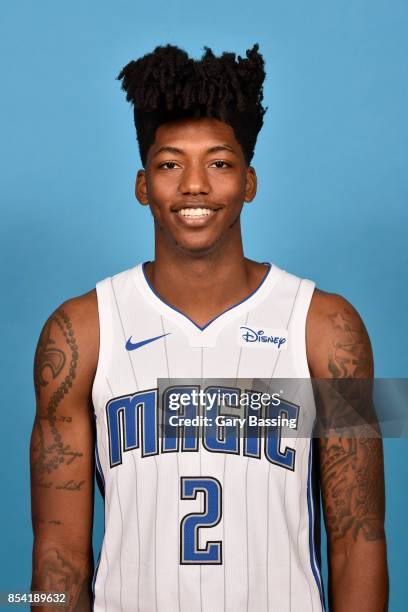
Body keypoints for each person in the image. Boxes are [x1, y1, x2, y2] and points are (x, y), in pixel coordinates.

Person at [30, 44, 388, 611]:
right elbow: (58, 554)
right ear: (143, 185)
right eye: (170, 164)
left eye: (218, 163)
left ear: (249, 182)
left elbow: (358, 540)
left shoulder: (328, 327)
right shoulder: (79, 332)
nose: (194, 185)